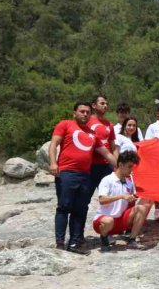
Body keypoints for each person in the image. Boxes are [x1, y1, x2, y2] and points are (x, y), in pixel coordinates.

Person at [48, 102, 117, 254]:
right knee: (64, 207)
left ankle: (75, 242)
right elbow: (53, 144)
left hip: (85, 175)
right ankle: (60, 243)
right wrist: (53, 163)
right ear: (75, 113)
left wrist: (120, 168)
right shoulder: (65, 124)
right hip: (67, 173)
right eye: (82, 111)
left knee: (81, 209)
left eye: (87, 112)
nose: (85, 114)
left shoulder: (93, 134)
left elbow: (106, 153)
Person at [93, 151, 151, 252]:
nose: (131, 170)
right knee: (108, 221)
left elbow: (132, 200)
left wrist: (135, 197)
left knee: (142, 207)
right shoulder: (107, 180)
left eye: (132, 167)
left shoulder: (129, 183)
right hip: (104, 220)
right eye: (129, 166)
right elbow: (102, 200)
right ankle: (104, 238)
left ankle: (132, 239)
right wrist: (121, 196)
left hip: (121, 221)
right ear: (120, 165)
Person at [88, 94, 116, 192]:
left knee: (108, 196)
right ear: (94, 105)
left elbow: (113, 147)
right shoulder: (86, 121)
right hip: (90, 165)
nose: (105, 106)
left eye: (106, 104)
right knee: (85, 196)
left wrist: (116, 164)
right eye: (102, 103)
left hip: (107, 166)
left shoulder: (109, 124)